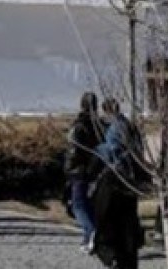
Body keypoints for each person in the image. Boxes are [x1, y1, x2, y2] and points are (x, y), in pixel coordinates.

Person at [65, 92, 104, 254]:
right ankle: (88, 237)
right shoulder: (99, 125)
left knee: (78, 204)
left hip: (79, 169)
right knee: (88, 204)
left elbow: (74, 149)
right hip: (94, 168)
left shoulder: (79, 124)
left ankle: (91, 230)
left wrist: (69, 167)